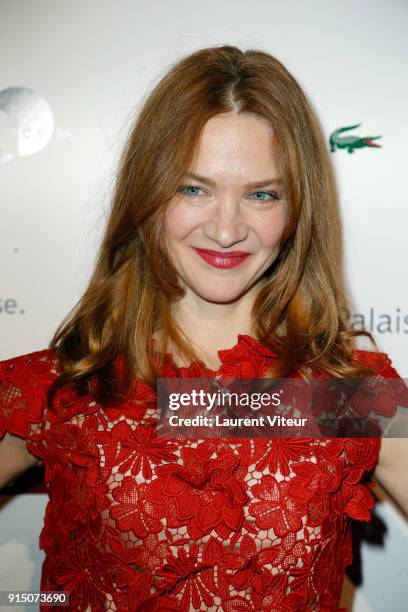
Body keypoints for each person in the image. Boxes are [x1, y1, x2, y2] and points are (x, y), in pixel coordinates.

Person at [0, 45, 407, 611]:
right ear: (149, 194)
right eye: (194, 188)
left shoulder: (345, 396)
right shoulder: (74, 385)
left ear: (295, 214)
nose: (225, 230)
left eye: (261, 194)